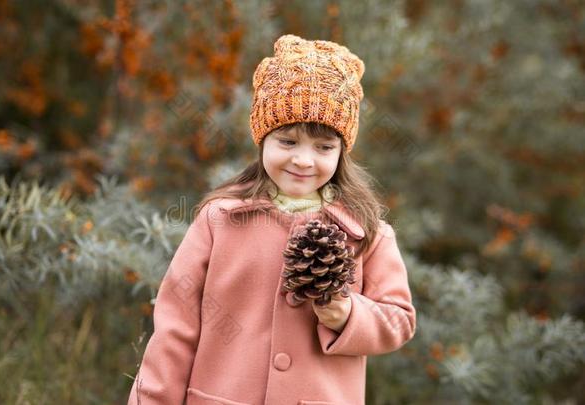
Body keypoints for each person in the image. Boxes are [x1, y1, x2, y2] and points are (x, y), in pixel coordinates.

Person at [128, 34, 416, 405]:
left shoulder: (366, 231)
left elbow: (399, 319)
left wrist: (347, 314)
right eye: (288, 141)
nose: (303, 160)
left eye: (324, 147)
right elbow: (176, 326)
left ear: (342, 152)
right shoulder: (220, 220)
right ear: (262, 138)